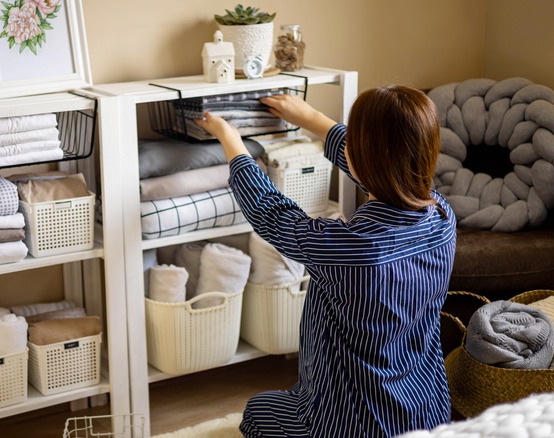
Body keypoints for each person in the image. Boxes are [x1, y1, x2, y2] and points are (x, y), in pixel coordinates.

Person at [194, 85, 456, 437]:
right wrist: (310, 119)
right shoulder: (442, 217)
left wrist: (231, 140)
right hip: (428, 414)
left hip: (348, 427)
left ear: (363, 158)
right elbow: (380, 170)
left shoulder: (350, 249)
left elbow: (272, 213)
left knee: (256, 413)